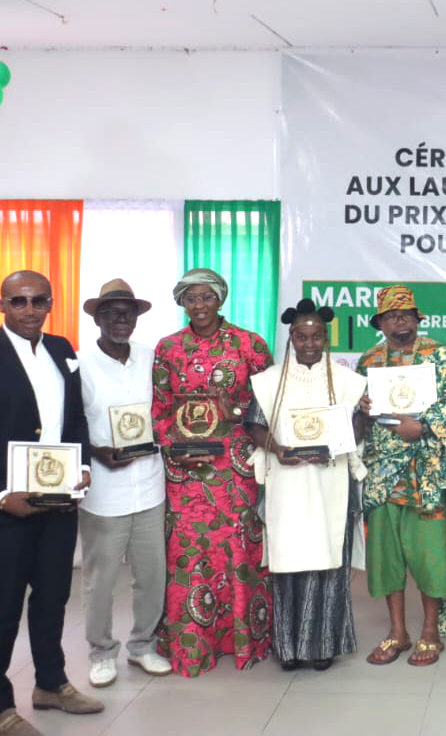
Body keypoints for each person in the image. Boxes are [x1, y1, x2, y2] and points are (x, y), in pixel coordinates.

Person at [0, 270, 102, 736]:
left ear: (51, 303)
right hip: (6, 509)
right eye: (19, 301)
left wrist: (83, 467)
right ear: (2, 305)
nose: (30, 309)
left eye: (39, 300)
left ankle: (51, 684)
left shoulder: (62, 350)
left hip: (59, 503)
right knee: (1, 607)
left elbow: (74, 418)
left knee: (54, 598)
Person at [358, 285, 446, 667]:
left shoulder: (441, 357)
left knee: (430, 554)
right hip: (383, 474)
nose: (398, 320)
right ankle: (397, 631)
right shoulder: (370, 360)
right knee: (386, 556)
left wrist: (427, 425)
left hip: (428, 475)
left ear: (419, 319)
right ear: (380, 322)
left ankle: (430, 630)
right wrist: (362, 404)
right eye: (390, 315)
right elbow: (358, 410)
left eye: (406, 314)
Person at [151, 267, 273, 677]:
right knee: (189, 553)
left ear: (220, 299)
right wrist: (174, 451)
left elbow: (265, 408)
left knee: (238, 551)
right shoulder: (168, 348)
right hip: (186, 471)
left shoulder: (250, 344)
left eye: (206, 297)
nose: (199, 306)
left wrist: (234, 410)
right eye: (190, 298)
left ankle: (244, 639)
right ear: (181, 302)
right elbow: (160, 409)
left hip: (234, 468)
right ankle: (193, 643)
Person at [247, 299, 369, 671]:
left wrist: (361, 415)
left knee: (330, 566)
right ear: (291, 337)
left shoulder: (349, 380)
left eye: (317, 335)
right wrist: (277, 448)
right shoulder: (268, 380)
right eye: (302, 336)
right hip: (287, 484)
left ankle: (325, 646)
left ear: (326, 337)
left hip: (332, 484)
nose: (310, 343)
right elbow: (253, 425)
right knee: (290, 565)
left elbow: (358, 431)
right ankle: (289, 646)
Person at [77, 279, 172, 689]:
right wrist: (95, 452)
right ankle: (101, 652)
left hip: (150, 486)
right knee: (99, 581)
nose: (120, 319)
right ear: (97, 317)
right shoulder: (78, 365)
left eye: (128, 312)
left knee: (152, 575)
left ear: (137, 318)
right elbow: (69, 424)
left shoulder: (152, 359)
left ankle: (143, 646)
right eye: (111, 312)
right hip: (103, 490)